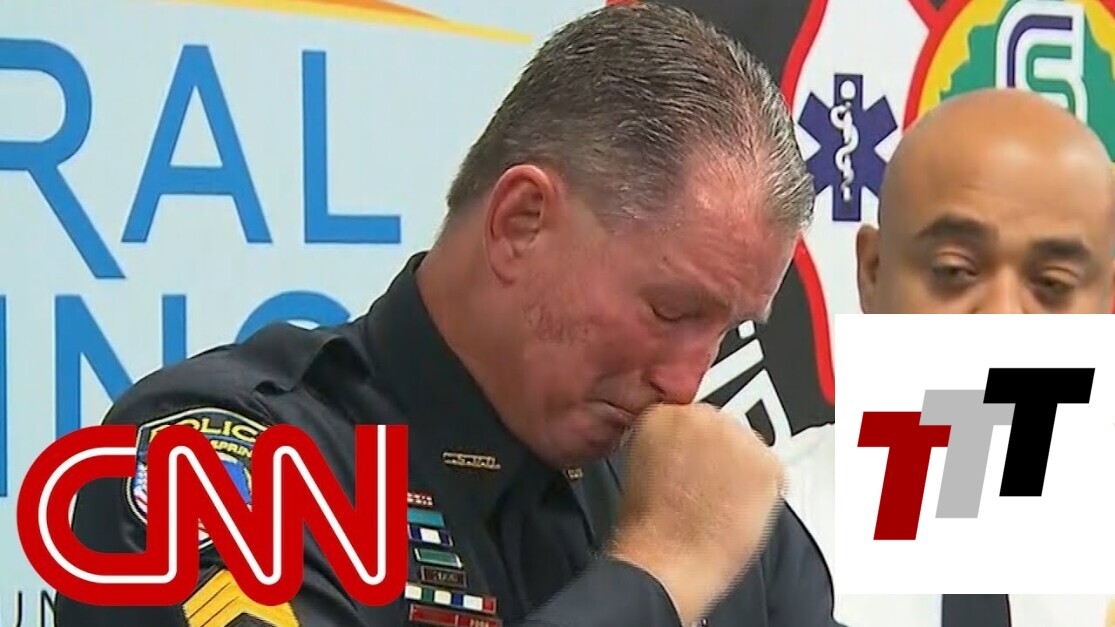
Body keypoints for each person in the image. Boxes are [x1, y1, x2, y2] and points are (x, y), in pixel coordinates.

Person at [54, 4, 841, 626]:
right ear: (521, 221)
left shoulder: (705, 502)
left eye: (726, 328)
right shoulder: (214, 462)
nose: (686, 380)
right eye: (669, 309)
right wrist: (655, 576)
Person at [840, 87, 1115, 627]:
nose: (1002, 318)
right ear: (873, 273)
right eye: (955, 271)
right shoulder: (754, 539)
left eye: (1052, 284)